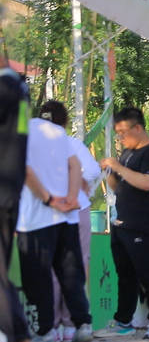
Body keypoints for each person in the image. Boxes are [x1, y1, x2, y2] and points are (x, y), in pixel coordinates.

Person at [16, 110, 93, 342]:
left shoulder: (16, 133)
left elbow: (26, 171)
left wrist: (49, 199)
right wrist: (70, 198)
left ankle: (44, 330)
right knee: (71, 274)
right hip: (67, 217)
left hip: (35, 219)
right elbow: (75, 164)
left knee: (38, 278)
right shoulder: (57, 131)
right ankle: (82, 324)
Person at [95, 108, 149, 339]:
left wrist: (118, 167)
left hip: (143, 225)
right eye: (117, 134)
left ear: (137, 128)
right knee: (125, 275)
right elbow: (120, 187)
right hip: (122, 223)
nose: (121, 138)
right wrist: (110, 173)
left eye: (123, 132)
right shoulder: (127, 154)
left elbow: (147, 183)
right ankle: (123, 320)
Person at [38, 101, 101, 341]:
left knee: (50, 269)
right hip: (76, 211)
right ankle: (71, 324)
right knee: (74, 267)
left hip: (47, 212)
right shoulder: (71, 143)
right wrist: (78, 184)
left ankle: (52, 326)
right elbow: (94, 171)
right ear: (64, 121)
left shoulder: (33, 148)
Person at [0, 67, 31, 342]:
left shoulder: (5, 88)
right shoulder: (21, 91)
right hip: (11, 193)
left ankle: (16, 332)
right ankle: (18, 331)